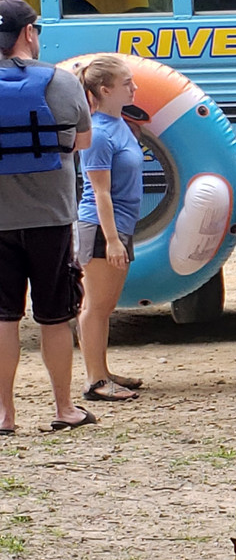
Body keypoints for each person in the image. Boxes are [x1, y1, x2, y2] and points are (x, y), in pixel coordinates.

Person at [0, 0, 95, 433]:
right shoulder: (61, 81)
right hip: (52, 218)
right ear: (28, 33)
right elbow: (82, 142)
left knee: (4, 317)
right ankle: (63, 409)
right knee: (55, 315)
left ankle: (4, 414)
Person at [75, 55, 144, 402]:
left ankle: (102, 371)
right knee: (96, 306)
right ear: (105, 90)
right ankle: (95, 380)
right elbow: (99, 191)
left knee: (104, 305)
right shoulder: (99, 133)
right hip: (103, 227)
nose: (135, 87)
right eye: (127, 83)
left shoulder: (118, 125)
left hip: (119, 225)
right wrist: (113, 240)